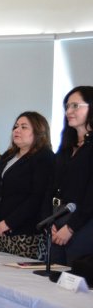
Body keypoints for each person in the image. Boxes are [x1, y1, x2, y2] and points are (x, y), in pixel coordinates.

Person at [0, 112, 54, 260]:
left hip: (26, 232)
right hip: (1, 230)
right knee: (0, 271)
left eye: (24, 127)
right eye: (16, 126)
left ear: (38, 131)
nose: (17, 130)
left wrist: (10, 222)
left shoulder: (44, 157)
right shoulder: (8, 155)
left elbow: (37, 197)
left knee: (20, 273)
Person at [50, 86, 93, 265]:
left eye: (75, 106)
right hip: (59, 220)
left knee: (77, 275)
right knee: (55, 275)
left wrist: (71, 227)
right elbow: (53, 186)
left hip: (84, 224)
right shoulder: (66, 147)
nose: (68, 111)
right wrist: (51, 221)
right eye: (67, 106)